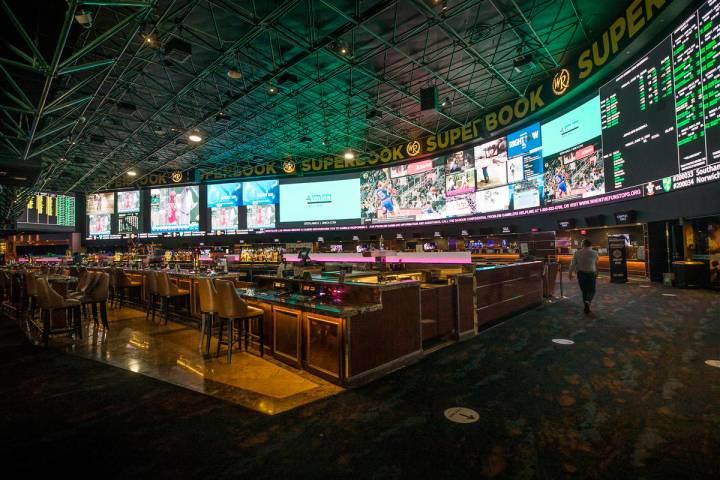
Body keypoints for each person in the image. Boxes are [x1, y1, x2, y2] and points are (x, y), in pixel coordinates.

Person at [568, 239, 599, 314]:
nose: (581, 244)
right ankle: (588, 301)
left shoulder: (577, 253)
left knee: (584, 291)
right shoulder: (595, 253)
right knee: (592, 290)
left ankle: (586, 306)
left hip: (581, 274)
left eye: (581, 243)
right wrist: (597, 272)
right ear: (590, 245)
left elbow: (572, 264)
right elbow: (595, 263)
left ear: (583, 244)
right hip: (591, 273)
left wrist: (570, 273)